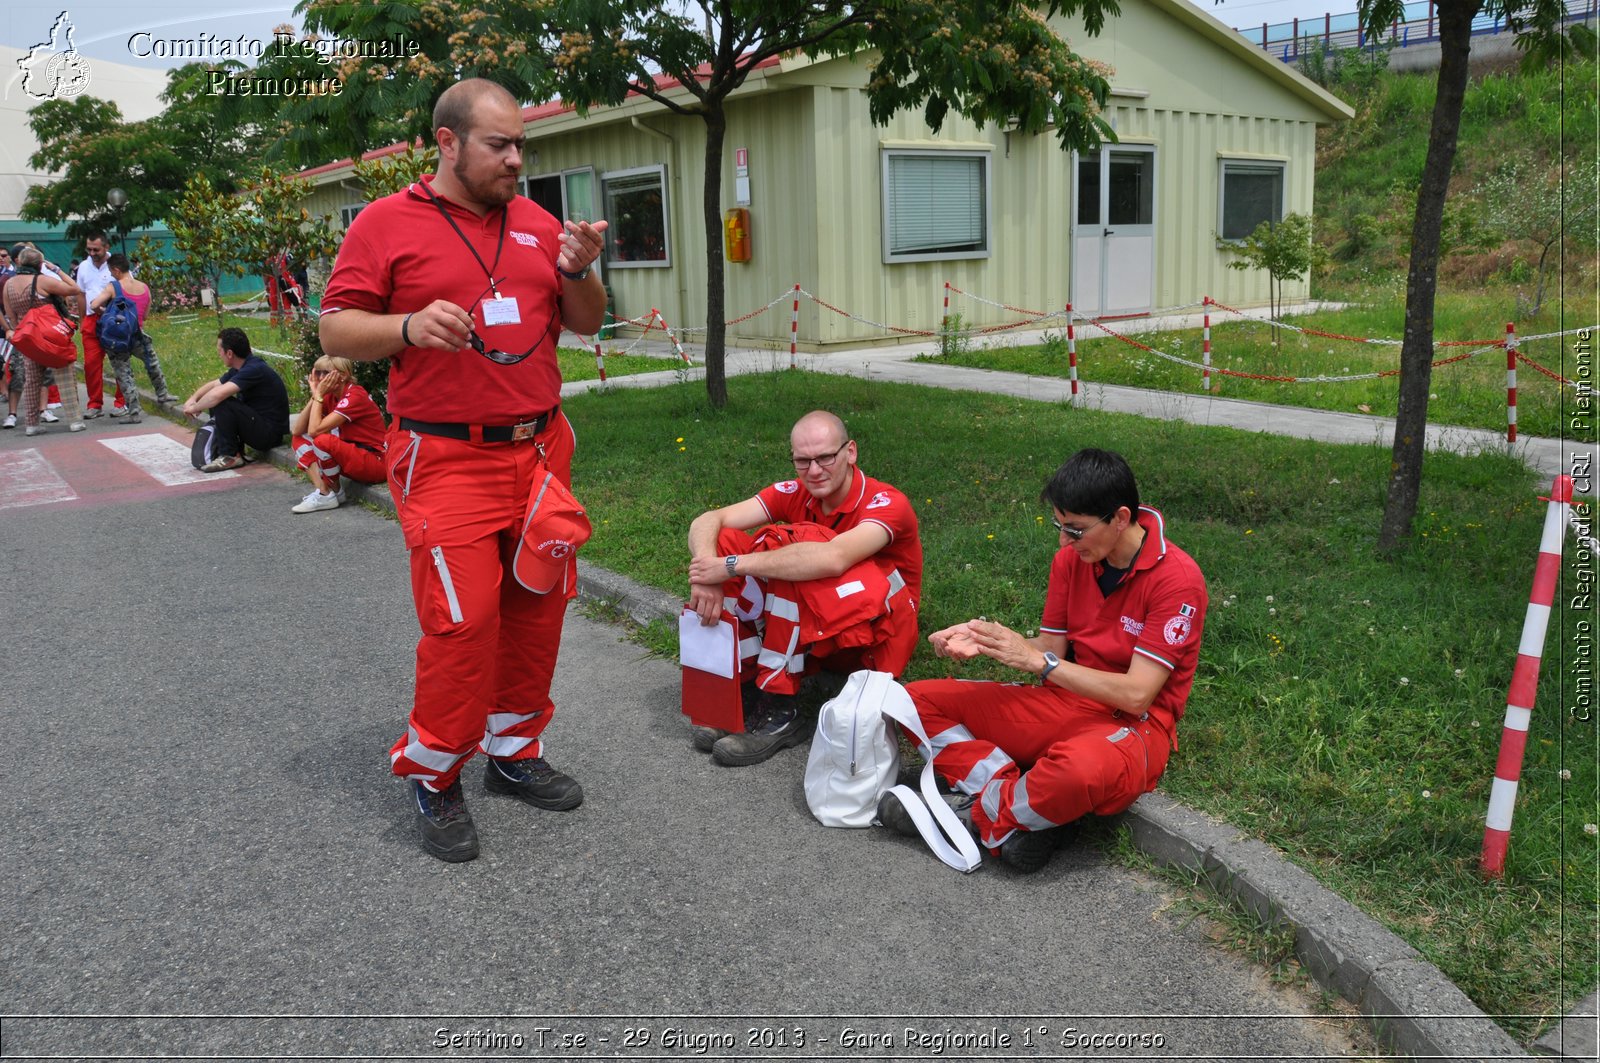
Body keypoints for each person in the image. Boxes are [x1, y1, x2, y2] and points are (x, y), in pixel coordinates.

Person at [318, 77, 608, 863]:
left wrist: (581, 269)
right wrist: (407, 325)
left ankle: (513, 752)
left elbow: (585, 321)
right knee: (464, 620)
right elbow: (336, 324)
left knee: (536, 608)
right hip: (445, 453)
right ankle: (436, 770)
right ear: (447, 143)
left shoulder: (537, 220)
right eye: (500, 145)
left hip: (542, 447)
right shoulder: (386, 224)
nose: (517, 158)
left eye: (521, 144)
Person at [878, 448, 1208, 874]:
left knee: (1076, 773)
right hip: (1065, 701)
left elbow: (1137, 694)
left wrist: (1041, 664)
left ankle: (967, 817)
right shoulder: (1072, 560)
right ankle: (1018, 809)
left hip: (1134, 726)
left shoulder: (1177, 580)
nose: (1063, 542)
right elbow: (1051, 646)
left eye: (1075, 529)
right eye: (1059, 526)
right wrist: (986, 639)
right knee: (912, 700)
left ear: (1121, 518)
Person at [685, 410, 923, 767]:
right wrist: (708, 570)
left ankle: (781, 708)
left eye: (826, 457)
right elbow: (709, 520)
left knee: (791, 560)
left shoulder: (887, 503)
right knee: (729, 540)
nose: (814, 470)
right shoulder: (796, 491)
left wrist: (730, 566)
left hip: (878, 639)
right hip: (820, 627)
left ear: (851, 452)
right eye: (802, 461)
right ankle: (747, 688)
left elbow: (833, 559)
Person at [1, 246, 86, 436]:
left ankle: (32, 424)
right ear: (40, 264)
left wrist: (20, 329)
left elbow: (10, 315)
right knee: (65, 374)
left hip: (28, 339)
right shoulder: (43, 281)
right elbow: (74, 288)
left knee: (32, 380)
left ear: (20, 262)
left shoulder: (9, 285)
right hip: (51, 336)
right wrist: (56, 270)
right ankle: (75, 420)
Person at [288, 354, 386, 512]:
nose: (320, 378)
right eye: (317, 373)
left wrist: (318, 394)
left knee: (322, 440)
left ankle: (328, 494)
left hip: (376, 461)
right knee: (298, 439)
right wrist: (316, 396)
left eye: (325, 373)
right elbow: (297, 430)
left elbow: (314, 431)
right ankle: (326, 493)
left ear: (343, 375)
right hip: (355, 456)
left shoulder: (355, 395)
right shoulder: (331, 396)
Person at [182, 327, 289, 472]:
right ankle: (231, 450)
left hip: (269, 434)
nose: (219, 354)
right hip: (259, 425)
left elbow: (216, 395)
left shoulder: (254, 369)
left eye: (219, 351)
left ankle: (230, 455)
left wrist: (195, 408)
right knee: (217, 397)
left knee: (221, 401)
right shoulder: (242, 367)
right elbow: (214, 385)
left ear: (230, 353)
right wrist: (192, 399)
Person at [86, 253, 174, 424]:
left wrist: (109, 314)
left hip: (117, 338)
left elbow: (94, 305)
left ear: (116, 270)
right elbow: (146, 316)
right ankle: (163, 394)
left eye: (112, 272)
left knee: (124, 374)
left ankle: (134, 412)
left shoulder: (114, 287)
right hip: (138, 335)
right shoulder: (145, 287)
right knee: (152, 363)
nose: (111, 275)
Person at [74, 231, 118, 417]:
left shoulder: (116, 265)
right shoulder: (83, 266)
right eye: (89, 249)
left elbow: (127, 290)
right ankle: (94, 404)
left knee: (118, 362)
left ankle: (122, 403)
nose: (92, 253)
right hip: (92, 320)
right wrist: (83, 319)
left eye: (96, 250)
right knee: (91, 364)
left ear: (106, 247)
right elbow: (80, 294)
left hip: (114, 319)